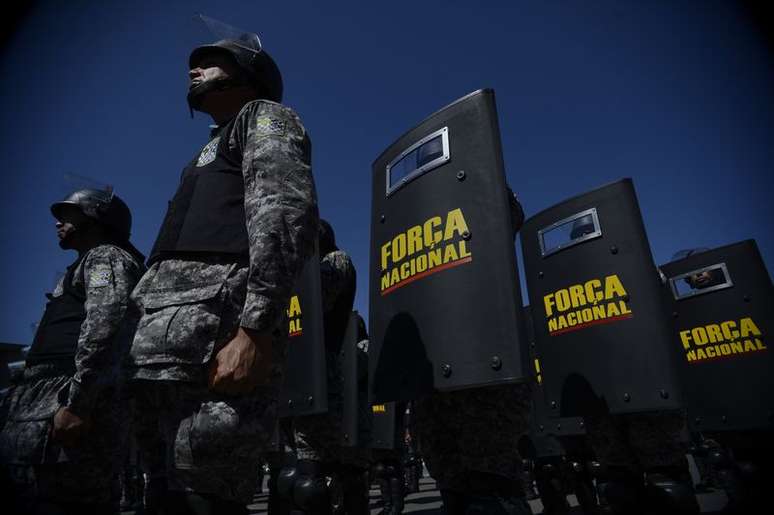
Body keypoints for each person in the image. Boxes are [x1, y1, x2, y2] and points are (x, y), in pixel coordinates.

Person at [127, 22, 319, 515]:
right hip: (163, 349)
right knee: (165, 493)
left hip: (218, 341)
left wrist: (254, 329)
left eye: (214, 61)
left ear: (249, 77)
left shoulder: (264, 117)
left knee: (206, 494)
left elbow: (280, 213)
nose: (195, 68)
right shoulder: (204, 152)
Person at [0, 188, 145, 514]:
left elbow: (104, 327)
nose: (57, 222)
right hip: (41, 405)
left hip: (67, 400)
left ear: (95, 216)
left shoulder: (106, 257)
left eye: (68, 214)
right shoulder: (80, 267)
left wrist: (79, 403)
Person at [412, 190, 533, 515]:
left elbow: (508, 215)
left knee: (489, 489)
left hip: (485, 362)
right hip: (435, 378)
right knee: (455, 487)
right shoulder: (415, 222)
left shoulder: (486, 199)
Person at [289, 219, 366, 513]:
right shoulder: (304, 268)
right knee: (298, 470)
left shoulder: (336, 260)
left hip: (323, 376)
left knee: (319, 473)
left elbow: (315, 298)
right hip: (297, 375)